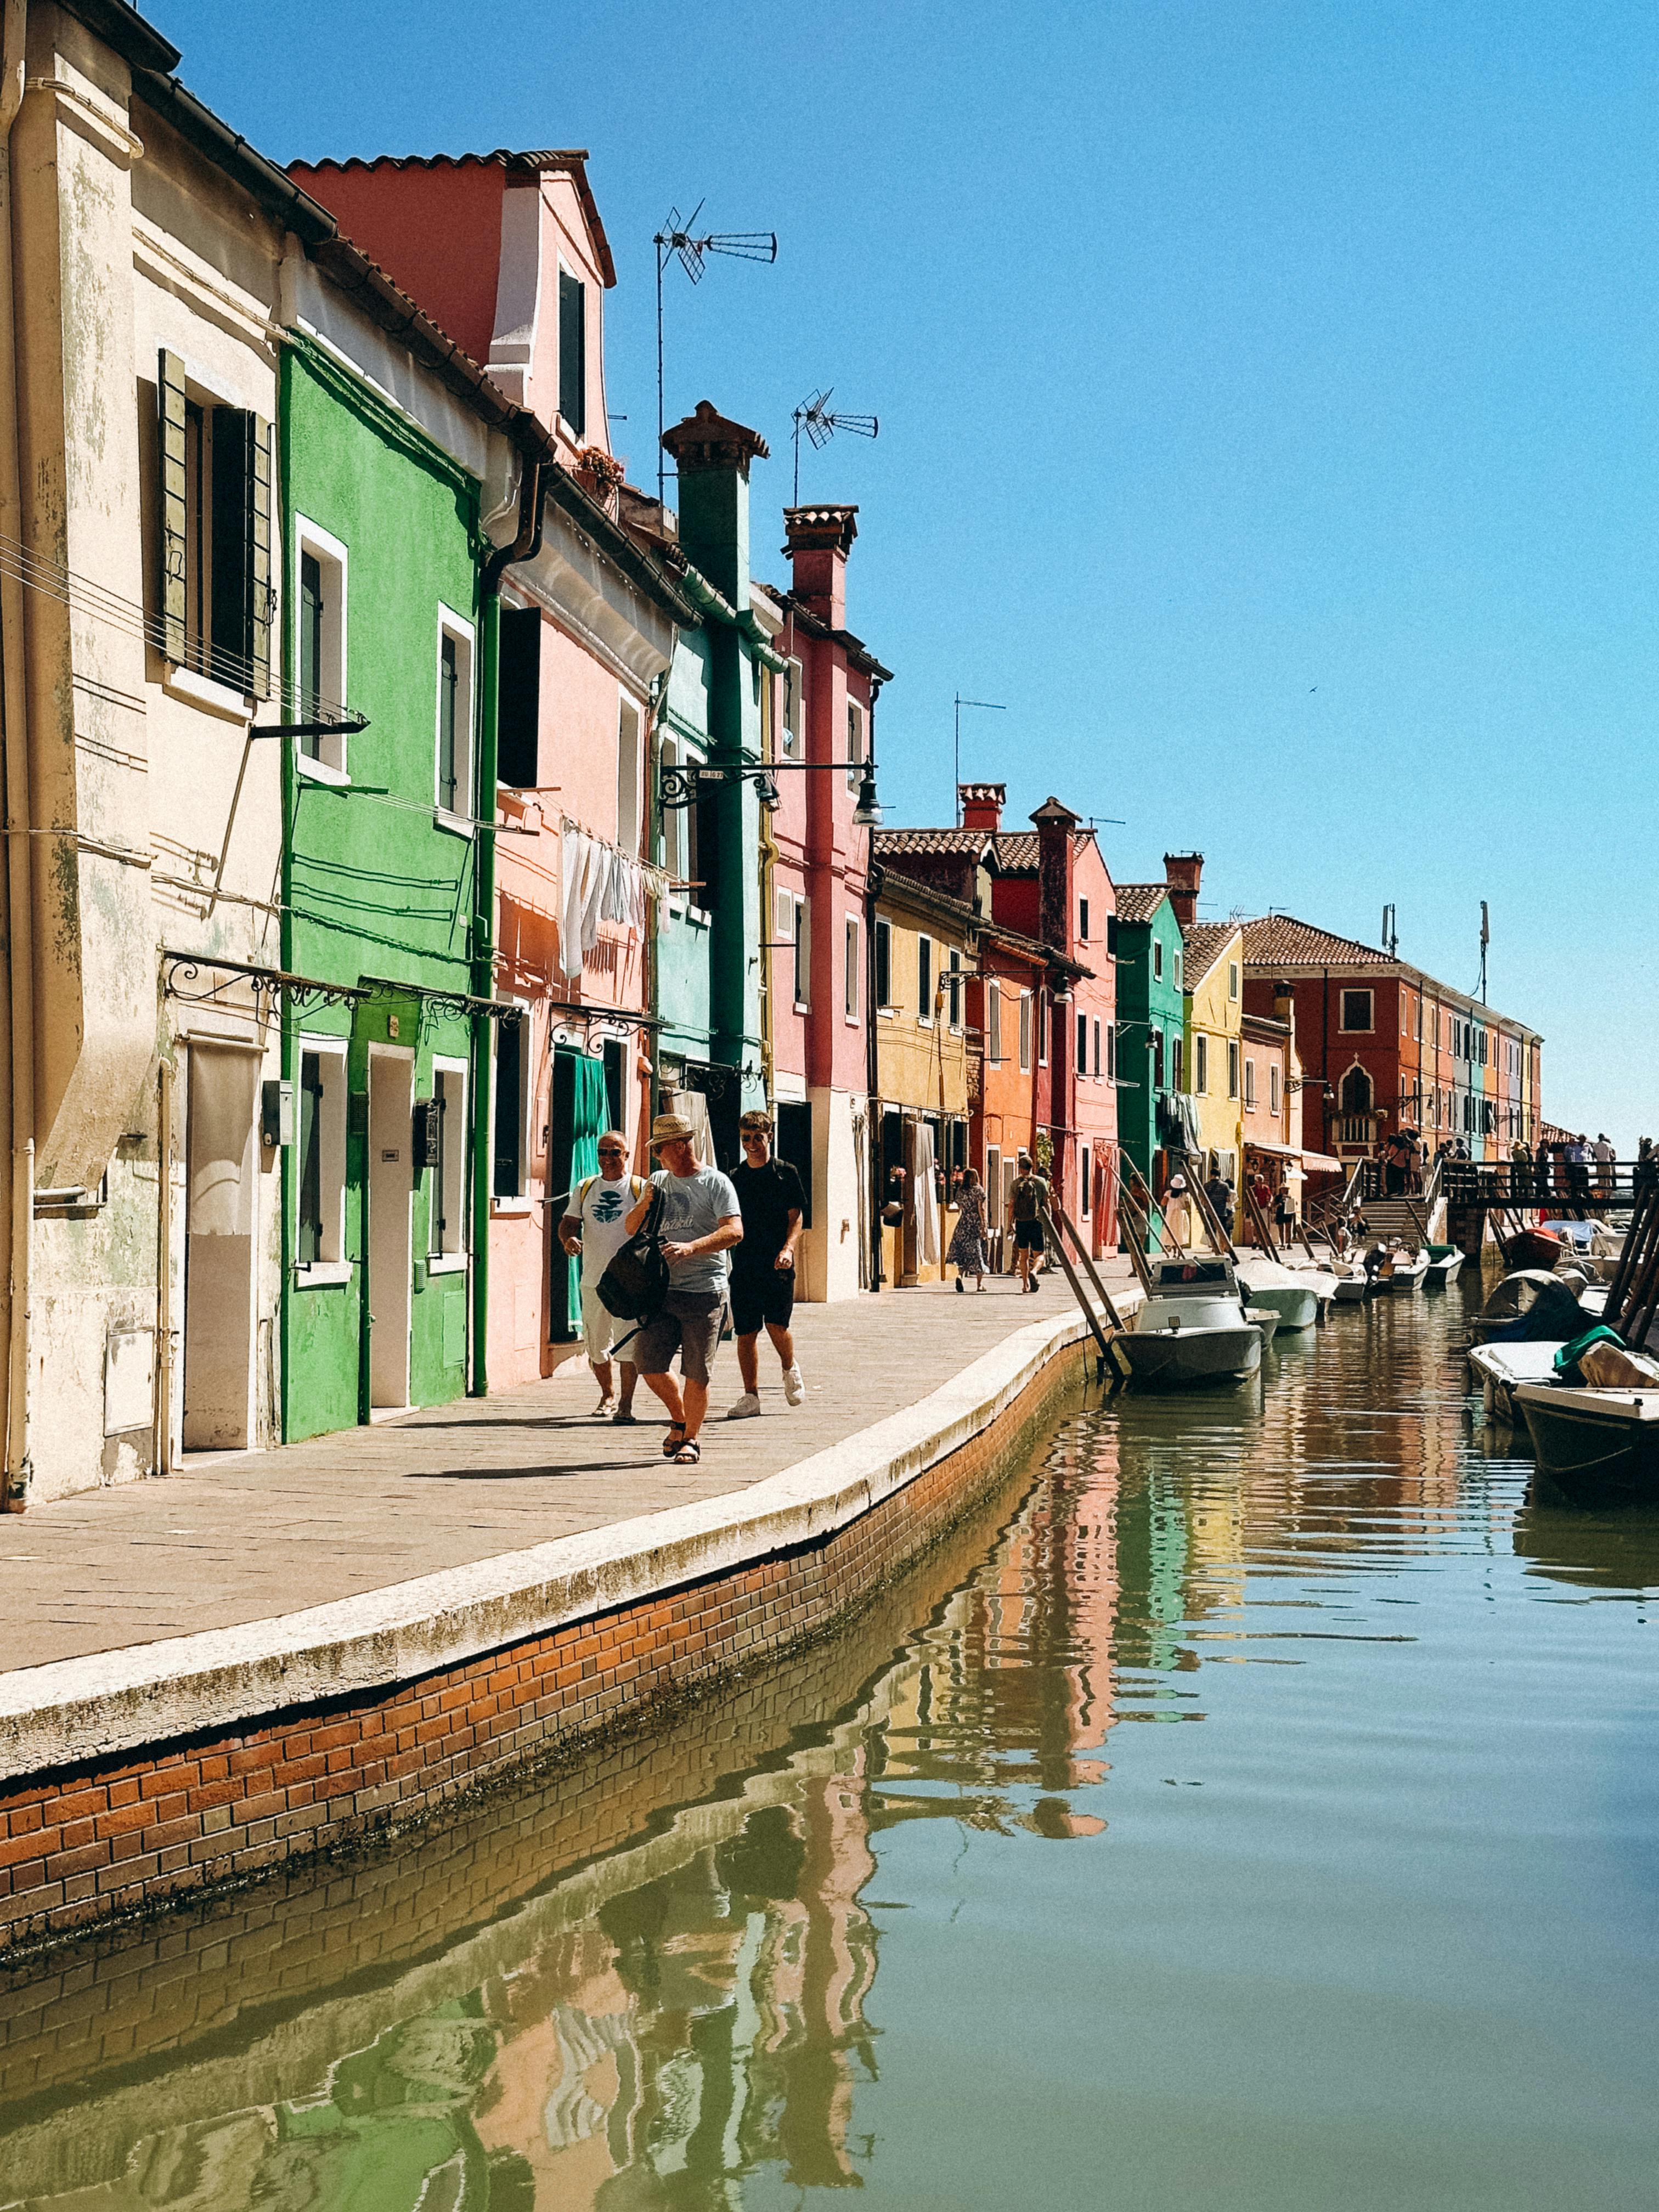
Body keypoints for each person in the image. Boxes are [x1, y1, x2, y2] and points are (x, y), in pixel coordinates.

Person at [624, 1113, 743, 1465]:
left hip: (704, 1291)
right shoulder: (657, 1180)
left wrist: (692, 1247)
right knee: (647, 1362)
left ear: (679, 1145)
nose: (657, 1156)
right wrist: (645, 1203)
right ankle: (680, 1417)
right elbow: (632, 1228)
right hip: (660, 1290)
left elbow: (734, 1232)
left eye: (660, 1149)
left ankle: (691, 1438)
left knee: (697, 1371)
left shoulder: (716, 1183)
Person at [557, 1131, 649, 1421]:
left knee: (628, 1345)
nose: (608, 1158)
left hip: (628, 1281)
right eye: (603, 1152)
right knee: (596, 1345)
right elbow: (568, 1223)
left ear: (626, 1155)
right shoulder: (585, 1188)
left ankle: (626, 1404)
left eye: (614, 1152)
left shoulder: (639, 1188)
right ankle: (607, 1394)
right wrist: (568, 1240)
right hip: (594, 1280)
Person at [725, 1110, 806, 1418]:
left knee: (777, 1325)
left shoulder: (786, 1173)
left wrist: (788, 1248)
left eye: (758, 1137)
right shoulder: (734, 1178)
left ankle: (789, 1367)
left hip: (778, 1263)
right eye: (747, 1138)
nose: (752, 1143)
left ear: (769, 1136)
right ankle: (751, 1396)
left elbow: (796, 1216)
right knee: (746, 1332)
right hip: (745, 1263)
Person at [1008, 1151, 1051, 1293]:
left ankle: (1025, 1285)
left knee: (1023, 1255)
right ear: (1032, 1167)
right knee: (1040, 1254)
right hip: (1036, 1221)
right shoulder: (1041, 1182)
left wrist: (1010, 1224)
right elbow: (1046, 1203)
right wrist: (1048, 1221)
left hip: (1021, 1222)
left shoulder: (1016, 1183)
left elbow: (1012, 1205)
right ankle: (1035, 1272)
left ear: (1020, 1168)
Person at [948, 1166, 990, 1292]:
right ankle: (979, 1285)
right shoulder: (978, 1190)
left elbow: (960, 1207)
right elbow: (980, 1208)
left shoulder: (961, 1191)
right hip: (974, 1223)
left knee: (962, 1253)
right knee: (978, 1253)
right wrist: (984, 1225)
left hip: (963, 1223)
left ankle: (960, 1276)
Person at [1593, 1131, 1616, 1199]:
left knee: (1601, 1180)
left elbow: (1594, 1155)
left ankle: (1602, 1195)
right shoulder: (1608, 1145)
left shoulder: (1595, 1146)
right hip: (1607, 1162)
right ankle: (1608, 1194)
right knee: (1608, 1179)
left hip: (1599, 1163)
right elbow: (1612, 1156)